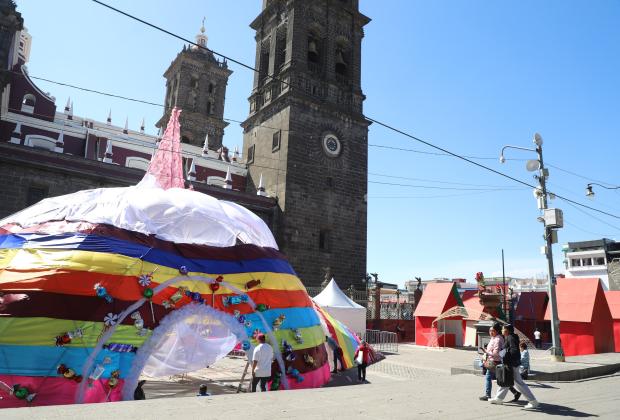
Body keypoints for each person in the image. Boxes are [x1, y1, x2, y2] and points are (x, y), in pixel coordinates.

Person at [490, 324, 539, 409]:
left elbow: (514, 351)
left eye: (503, 329)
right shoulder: (511, 337)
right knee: (506, 380)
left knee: (518, 383)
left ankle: (533, 401)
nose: (501, 331)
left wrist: (505, 355)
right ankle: (499, 398)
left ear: (507, 331)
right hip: (512, 363)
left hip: (511, 364)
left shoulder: (510, 338)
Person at [479, 323, 504, 401]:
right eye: (490, 330)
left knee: (491, 377)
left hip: (495, 361)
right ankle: (515, 392)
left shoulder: (498, 339)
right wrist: (485, 352)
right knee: (501, 379)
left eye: (493, 331)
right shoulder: (494, 338)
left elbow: (496, 353)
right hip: (493, 360)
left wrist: (486, 352)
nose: (490, 332)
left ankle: (487, 395)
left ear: (497, 331)